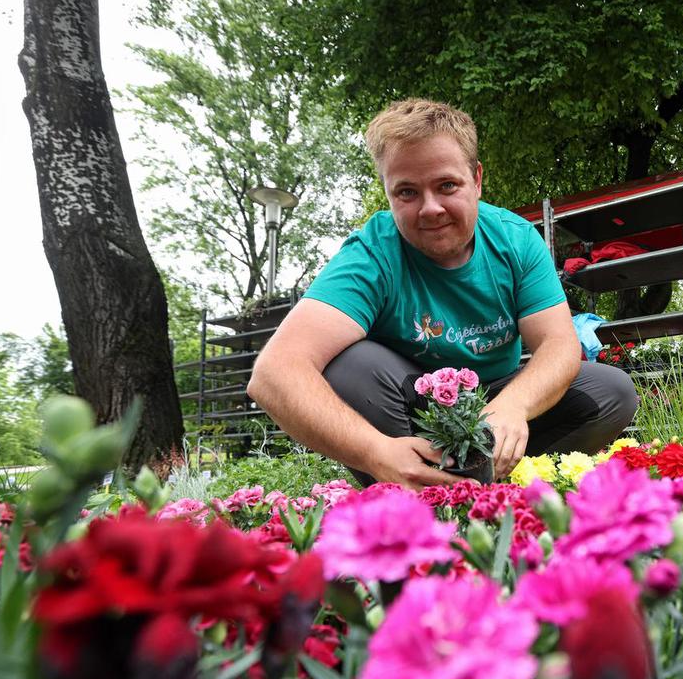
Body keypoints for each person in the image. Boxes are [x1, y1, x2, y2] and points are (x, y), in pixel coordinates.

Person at [248, 99, 638, 489]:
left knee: (611, 391)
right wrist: (373, 450)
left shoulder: (515, 239)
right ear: (388, 194)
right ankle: (412, 492)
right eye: (407, 192)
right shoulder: (371, 253)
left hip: (494, 403)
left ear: (477, 179)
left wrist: (514, 406)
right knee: (350, 364)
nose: (430, 209)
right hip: (409, 413)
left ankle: (500, 486)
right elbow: (273, 374)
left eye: (447, 185)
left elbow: (558, 343)